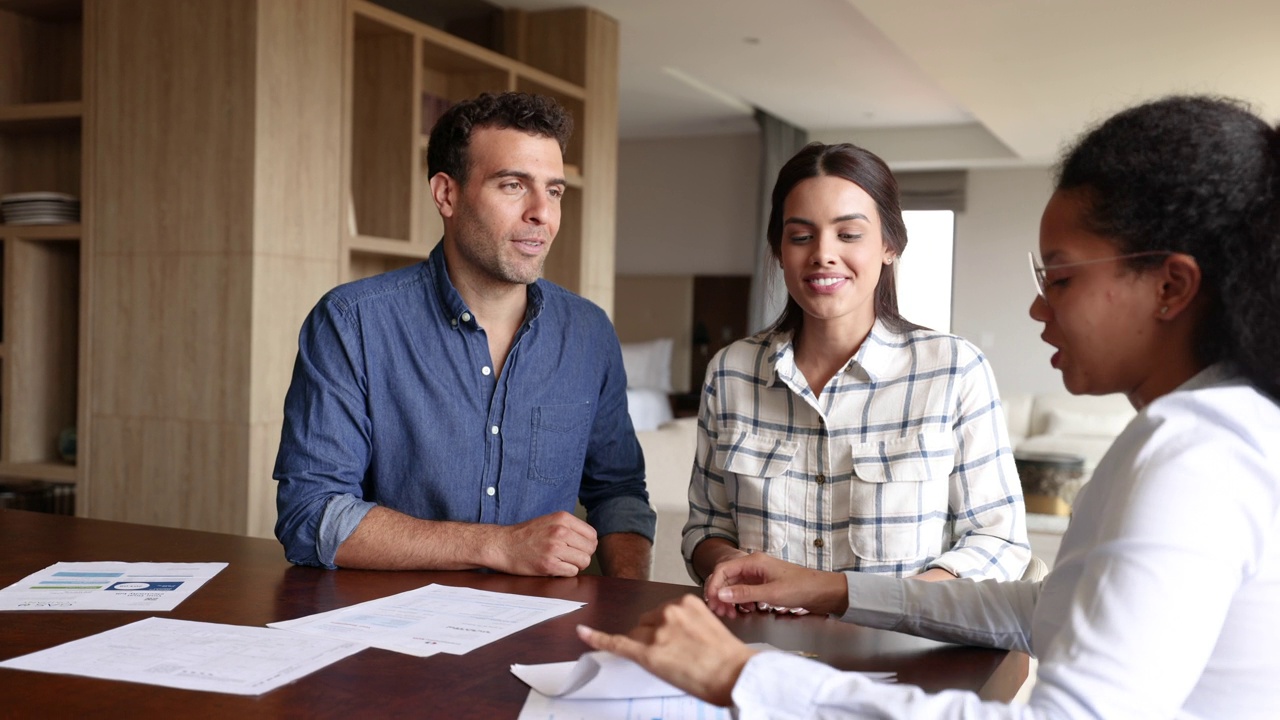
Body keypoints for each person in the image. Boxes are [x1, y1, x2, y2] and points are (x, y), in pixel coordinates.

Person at [579, 95, 1280, 717]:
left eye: (1059, 277)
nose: (1038, 307)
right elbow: (1045, 609)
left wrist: (746, 675)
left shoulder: (1193, 457)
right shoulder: (1187, 434)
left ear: (1171, 288)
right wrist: (834, 589)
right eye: (800, 234)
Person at [273, 92, 655, 579]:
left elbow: (618, 493)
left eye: (554, 191)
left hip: (541, 638)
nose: (542, 213)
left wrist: (625, 600)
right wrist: (498, 546)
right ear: (446, 194)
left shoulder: (588, 333)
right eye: (514, 185)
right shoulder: (352, 322)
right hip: (391, 632)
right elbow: (312, 514)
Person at [682, 142, 1029, 588]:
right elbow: (705, 529)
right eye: (801, 236)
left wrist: (905, 603)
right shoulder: (731, 372)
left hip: (901, 643)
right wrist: (730, 563)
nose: (823, 254)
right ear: (778, 250)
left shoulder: (954, 369)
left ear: (889, 245)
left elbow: (999, 538)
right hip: (761, 641)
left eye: (848, 234)